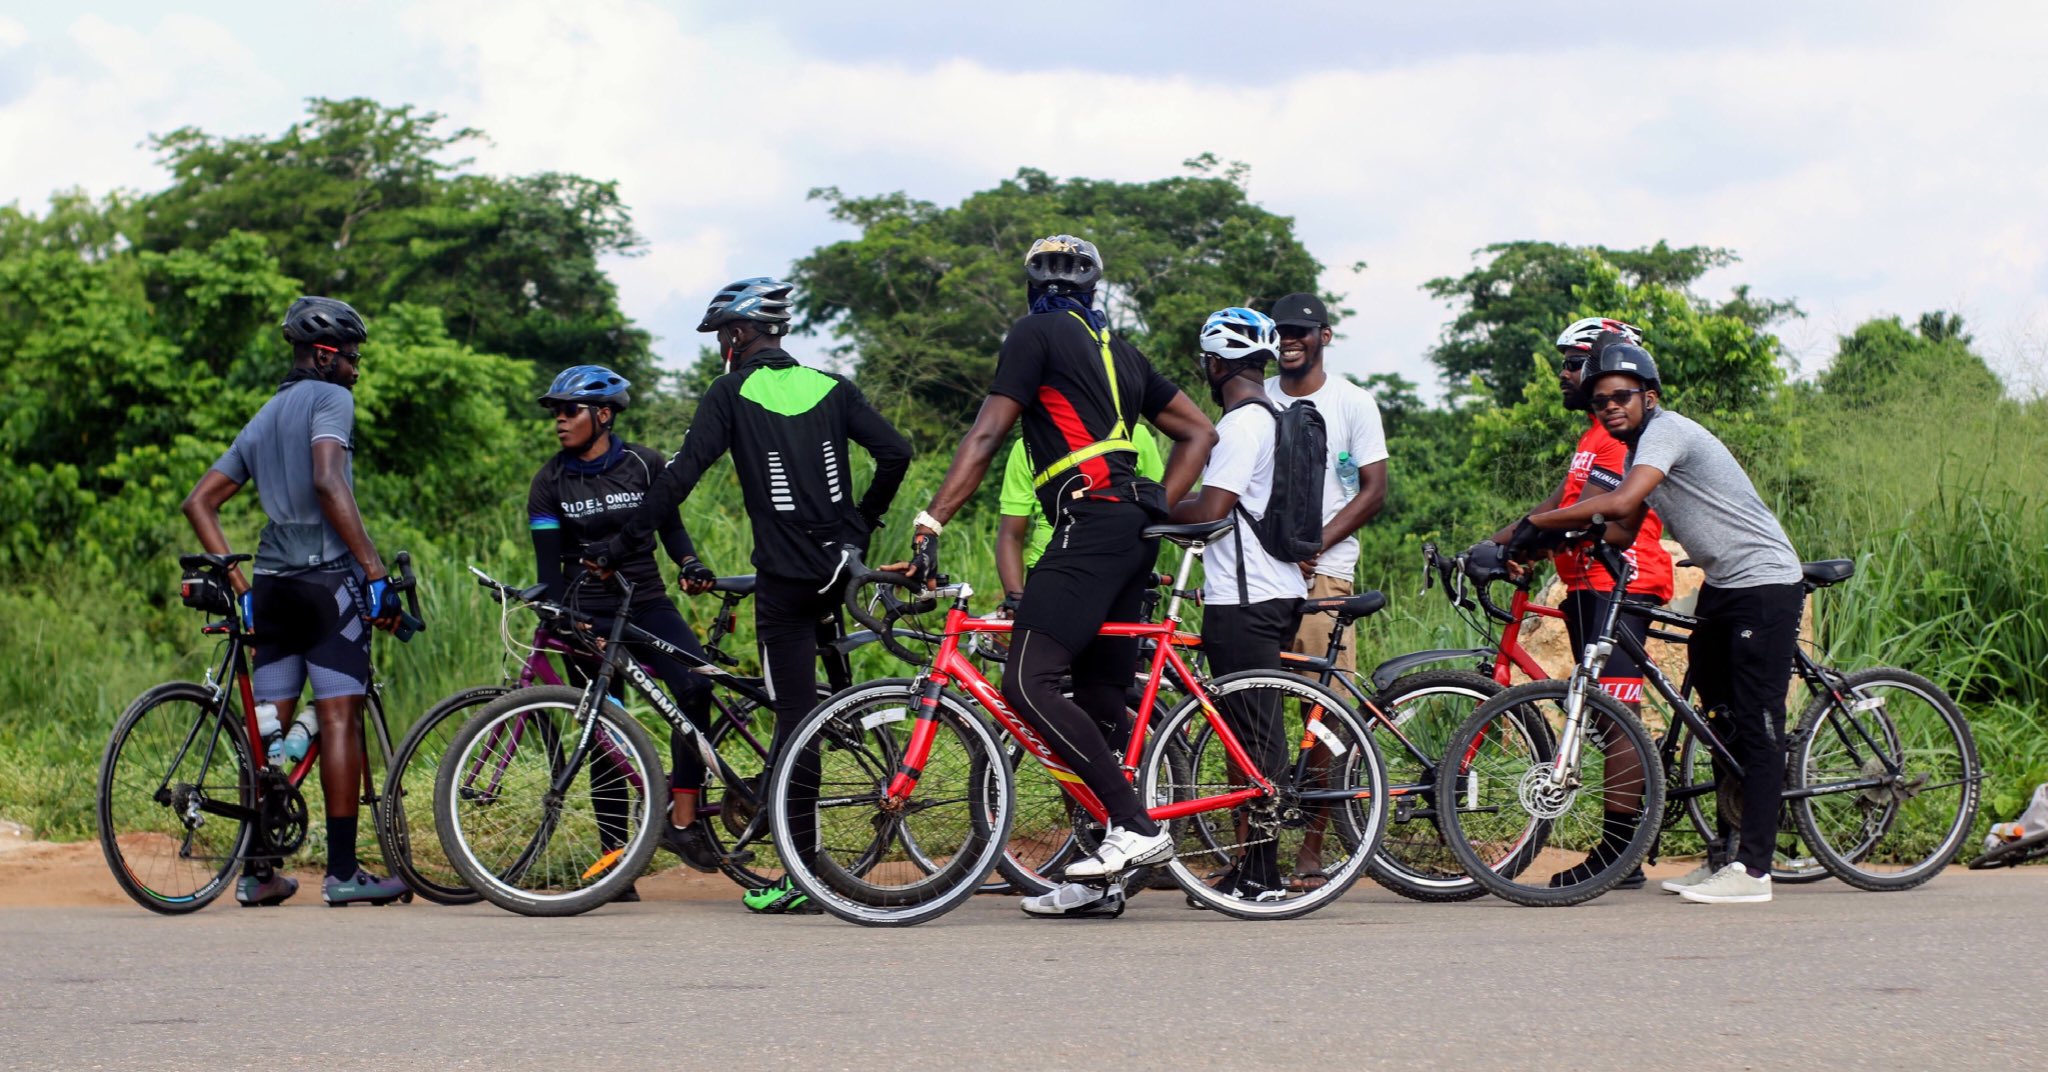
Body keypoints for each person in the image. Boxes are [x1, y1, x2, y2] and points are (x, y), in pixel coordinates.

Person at [900, 233, 1217, 919]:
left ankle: (1134, 827)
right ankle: (1102, 882)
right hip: (1132, 532)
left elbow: (986, 435)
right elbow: (1200, 432)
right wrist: (1157, 506)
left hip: (1091, 524)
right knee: (1099, 704)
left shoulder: (1034, 334)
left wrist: (932, 521)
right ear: (1093, 291)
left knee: (1026, 679)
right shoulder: (1122, 353)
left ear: (1033, 290)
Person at [590, 277, 913, 914]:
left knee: (794, 717)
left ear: (738, 336)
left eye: (719, 338)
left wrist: (619, 545)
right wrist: (858, 524)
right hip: (839, 571)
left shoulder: (731, 392)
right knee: (815, 712)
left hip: (787, 582)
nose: (719, 349)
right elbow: (895, 453)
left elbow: (678, 478)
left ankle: (802, 872)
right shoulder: (831, 387)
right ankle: (807, 846)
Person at [1520, 342, 1805, 905]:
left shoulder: (1666, 431)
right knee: (1718, 716)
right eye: (1600, 401)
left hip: (1765, 582)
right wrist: (1558, 538)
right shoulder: (1632, 450)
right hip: (1723, 586)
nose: (1610, 408)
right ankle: (1724, 853)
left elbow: (1623, 501)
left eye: (1622, 397)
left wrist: (1537, 522)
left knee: (1755, 719)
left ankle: (1753, 872)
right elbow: (1621, 528)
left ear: (1649, 398)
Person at [180, 296, 408, 907]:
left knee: (267, 731)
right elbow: (328, 480)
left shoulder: (265, 415)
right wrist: (374, 569)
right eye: (353, 356)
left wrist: (241, 588)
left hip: (273, 588)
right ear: (327, 355)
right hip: (328, 584)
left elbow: (199, 502)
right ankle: (341, 874)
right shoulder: (332, 400)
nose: (357, 367)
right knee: (339, 718)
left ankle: (258, 874)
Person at [1480, 318, 1676, 890]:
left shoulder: (1618, 434)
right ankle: (1633, 837)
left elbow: (1596, 511)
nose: (1563, 375)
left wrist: (1524, 539)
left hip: (1622, 581)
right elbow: (1559, 504)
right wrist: (1499, 543)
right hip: (1588, 584)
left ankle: (1621, 857)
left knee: (1618, 720)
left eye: (1572, 362)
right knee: (1604, 715)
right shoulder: (1591, 436)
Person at [525, 364, 732, 900]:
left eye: (569, 411)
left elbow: (672, 529)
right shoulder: (550, 482)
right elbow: (549, 575)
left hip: (646, 603)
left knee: (695, 688)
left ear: (604, 414)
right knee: (605, 734)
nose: (559, 422)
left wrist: (689, 563)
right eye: (555, 412)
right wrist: (567, 622)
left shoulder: (645, 464)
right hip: (587, 613)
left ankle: (683, 823)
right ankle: (617, 865)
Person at [1167, 307, 1307, 901]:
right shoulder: (1272, 417)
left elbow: (1210, 512)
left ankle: (1265, 873)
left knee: (1256, 740)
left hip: (1245, 600)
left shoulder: (1243, 424)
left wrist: (1145, 506)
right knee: (1249, 734)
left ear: (1215, 363)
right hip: (1277, 591)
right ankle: (1249, 864)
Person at [1262, 291, 1387, 885]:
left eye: (1301, 330)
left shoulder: (1353, 402)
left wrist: (1314, 543)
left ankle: (1312, 849)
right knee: (1247, 706)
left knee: (1326, 714)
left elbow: (1372, 489)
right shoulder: (1255, 398)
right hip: (1260, 575)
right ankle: (1251, 853)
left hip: (1327, 575)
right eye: (1282, 330)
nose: (1290, 339)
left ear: (1324, 337)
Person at [996, 425, 1164, 605]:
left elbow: (1159, 498)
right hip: (1049, 570)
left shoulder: (1135, 433)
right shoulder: (1027, 445)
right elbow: (1010, 534)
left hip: (1122, 569)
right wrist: (1015, 599)